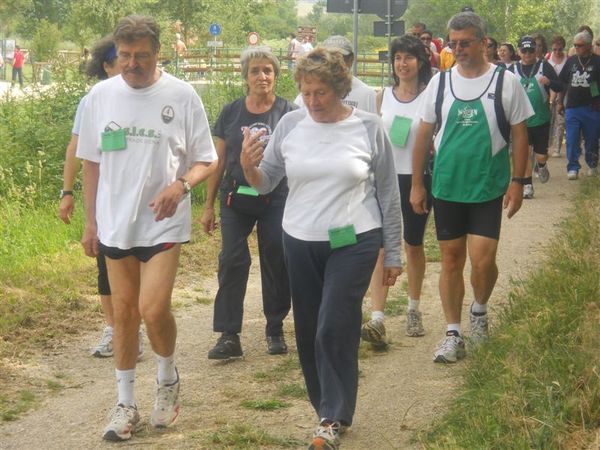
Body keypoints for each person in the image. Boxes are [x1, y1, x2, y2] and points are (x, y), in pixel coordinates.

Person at [240, 47, 402, 449]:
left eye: (321, 93)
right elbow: (266, 181)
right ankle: (326, 410)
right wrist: (247, 166)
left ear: (340, 89)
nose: (312, 101)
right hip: (299, 238)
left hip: (355, 238)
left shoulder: (368, 126)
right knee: (310, 329)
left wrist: (393, 252)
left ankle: (331, 417)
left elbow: (387, 191)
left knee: (334, 324)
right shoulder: (292, 124)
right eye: (306, 92)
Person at [76, 15, 217, 441]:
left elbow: (207, 159)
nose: (132, 64)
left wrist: (181, 185)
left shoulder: (182, 94)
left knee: (152, 310)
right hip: (117, 223)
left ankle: (168, 378)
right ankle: (125, 404)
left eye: (141, 56)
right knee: (123, 314)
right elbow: (91, 163)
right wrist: (90, 222)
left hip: (163, 223)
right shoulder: (100, 96)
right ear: (115, 56)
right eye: (125, 56)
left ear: (158, 54)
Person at [410, 11, 533, 364]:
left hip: (487, 187)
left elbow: (520, 133)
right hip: (447, 186)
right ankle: (453, 333)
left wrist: (518, 181)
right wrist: (418, 183)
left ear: (483, 42)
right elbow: (423, 135)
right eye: (453, 43)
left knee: (483, 261)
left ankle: (479, 312)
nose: (459, 49)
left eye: (465, 43)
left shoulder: (504, 82)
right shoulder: (440, 83)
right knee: (450, 260)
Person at [201, 47, 295, 360]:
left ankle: (275, 327)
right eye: (255, 71)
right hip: (236, 197)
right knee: (232, 259)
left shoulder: (289, 113)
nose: (262, 76)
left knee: (275, 258)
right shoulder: (231, 112)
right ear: (245, 76)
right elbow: (219, 159)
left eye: (268, 70)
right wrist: (208, 205)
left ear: (276, 75)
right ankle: (229, 335)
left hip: (276, 198)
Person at [59, 36, 145, 359]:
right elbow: (77, 150)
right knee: (105, 267)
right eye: (118, 58)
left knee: (138, 266)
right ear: (106, 65)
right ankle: (115, 328)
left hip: (142, 202)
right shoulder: (93, 101)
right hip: (107, 200)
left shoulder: (146, 97)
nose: (127, 63)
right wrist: (67, 193)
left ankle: (133, 328)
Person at [361, 35, 433, 348]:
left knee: (412, 245)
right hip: (384, 179)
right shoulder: (381, 97)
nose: (402, 64)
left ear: (421, 62)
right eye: (398, 58)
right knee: (380, 246)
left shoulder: (430, 97)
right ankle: (377, 318)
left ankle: (413, 308)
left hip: (417, 178)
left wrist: (421, 183)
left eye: (409, 58)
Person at [509, 36, 562, 199]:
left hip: (540, 119)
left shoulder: (543, 66)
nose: (527, 54)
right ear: (518, 52)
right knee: (524, 152)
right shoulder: (512, 70)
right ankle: (528, 185)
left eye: (531, 50)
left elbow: (560, 86)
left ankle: (542, 165)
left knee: (540, 155)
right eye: (524, 50)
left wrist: (549, 82)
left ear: (536, 51)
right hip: (520, 121)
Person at [557, 31, 600, 179]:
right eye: (575, 45)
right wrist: (559, 102)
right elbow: (563, 83)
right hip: (572, 107)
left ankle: (592, 164)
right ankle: (573, 167)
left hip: (592, 108)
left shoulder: (597, 62)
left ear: (589, 45)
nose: (577, 48)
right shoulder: (571, 61)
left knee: (592, 138)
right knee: (572, 138)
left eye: (580, 45)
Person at [294, 35, 377, 113]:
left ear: (351, 59)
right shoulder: (308, 94)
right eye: (328, 58)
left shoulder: (368, 95)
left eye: (340, 57)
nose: (335, 62)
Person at [547, 36, 567, 157]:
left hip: (563, 93)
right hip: (549, 92)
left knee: (560, 121)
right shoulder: (547, 58)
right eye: (554, 49)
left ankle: (557, 148)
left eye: (559, 49)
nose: (557, 52)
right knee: (549, 120)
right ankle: (547, 145)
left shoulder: (567, 60)